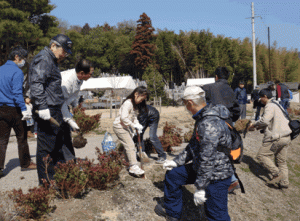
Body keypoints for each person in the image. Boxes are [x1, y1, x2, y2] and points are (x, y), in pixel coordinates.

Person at [155, 86, 234, 221]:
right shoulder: (202, 118)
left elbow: (207, 159)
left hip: (217, 175)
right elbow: (193, 146)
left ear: (190, 103)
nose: (186, 107)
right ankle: (173, 213)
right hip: (202, 168)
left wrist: (201, 187)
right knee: (174, 174)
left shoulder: (208, 123)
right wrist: (176, 161)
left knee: (216, 215)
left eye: (185, 104)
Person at [29, 34, 73, 185]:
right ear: (53, 46)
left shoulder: (52, 60)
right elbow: (36, 83)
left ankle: (57, 178)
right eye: (64, 51)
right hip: (46, 109)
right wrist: (41, 106)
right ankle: (46, 182)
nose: (65, 54)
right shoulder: (44, 59)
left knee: (56, 145)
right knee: (46, 148)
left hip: (54, 109)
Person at [201, 67, 240, 193]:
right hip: (227, 124)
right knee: (223, 152)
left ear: (216, 76)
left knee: (213, 152)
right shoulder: (231, 90)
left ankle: (231, 179)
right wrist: (230, 120)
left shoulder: (208, 87)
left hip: (213, 124)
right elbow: (237, 110)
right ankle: (229, 179)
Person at [0, 46, 37, 178]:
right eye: (23, 58)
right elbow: (16, 94)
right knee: (22, 137)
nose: (24, 62)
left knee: (2, 140)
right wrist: (23, 110)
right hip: (14, 109)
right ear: (17, 57)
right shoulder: (17, 72)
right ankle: (25, 163)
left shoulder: (0, 69)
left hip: (1, 108)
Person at [249, 89, 292, 189]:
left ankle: (277, 173)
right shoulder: (277, 104)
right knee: (281, 161)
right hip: (286, 136)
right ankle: (284, 182)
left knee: (261, 155)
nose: (260, 100)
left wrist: (254, 125)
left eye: (261, 98)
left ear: (265, 96)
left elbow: (265, 121)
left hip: (277, 137)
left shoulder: (269, 106)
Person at [60, 59, 93, 161]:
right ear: (82, 73)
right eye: (90, 74)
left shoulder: (80, 79)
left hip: (64, 105)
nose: (91, 76)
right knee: (60, 135)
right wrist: (70, 120)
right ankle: (60, 161)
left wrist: (76, 110)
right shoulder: (66, 82)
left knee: (66, 135)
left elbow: (74, 96)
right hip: (55, 107)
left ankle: (69, 160)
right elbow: (61, 103)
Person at [113, 86, 148, 176]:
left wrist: (137, 125)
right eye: (141, 99)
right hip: (119, 126)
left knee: (128, 146)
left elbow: (133, 117)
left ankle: (129, 164)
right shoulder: (128, 103)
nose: (141, 101)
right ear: (136, 94)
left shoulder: (134, 105)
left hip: (126, 127)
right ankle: (133, 165)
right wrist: (133, 125)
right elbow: (123, 117)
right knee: (130, 145)